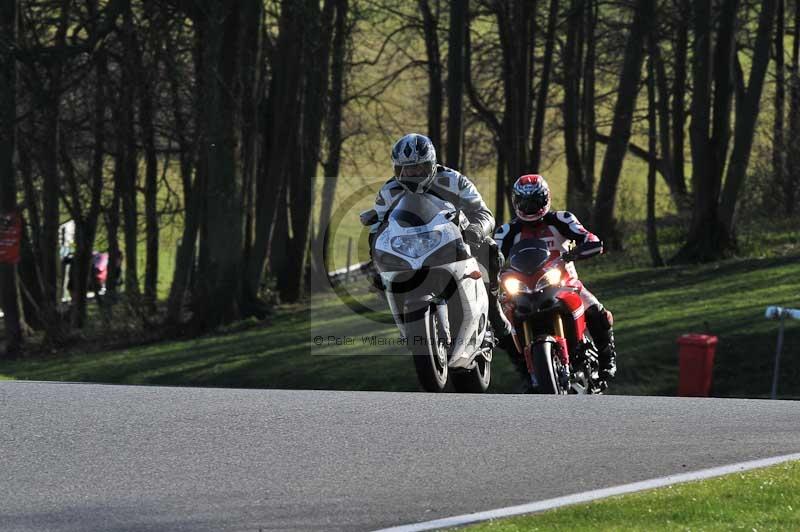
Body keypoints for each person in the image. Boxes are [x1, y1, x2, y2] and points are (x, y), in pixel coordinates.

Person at [364, 133, 512, 343]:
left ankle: (493, 308)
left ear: (431, 164)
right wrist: (376, 262)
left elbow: (484, 213)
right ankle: (406, 323)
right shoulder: (388, 192)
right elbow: (376, 229)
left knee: (489, 249)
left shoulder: (454, 180)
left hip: (452, 242)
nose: (411, 173)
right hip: (409, 250)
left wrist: (476, 230)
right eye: (404, 169)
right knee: (380, 278)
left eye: (418, 167)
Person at [494, 174, 617, 386]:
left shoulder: (562, 219)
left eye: (535, 201)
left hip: (565, 283)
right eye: (524, 202)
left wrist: (578, 251)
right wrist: (489, 271)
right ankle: (524, 371)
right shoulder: (507, 231)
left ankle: (608, 360)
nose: (530, 206)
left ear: (546, 199)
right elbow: (491, 256)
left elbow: (589, 238)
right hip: (522, 288)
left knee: (597, 311)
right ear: (515, 202)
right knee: (502, 326)